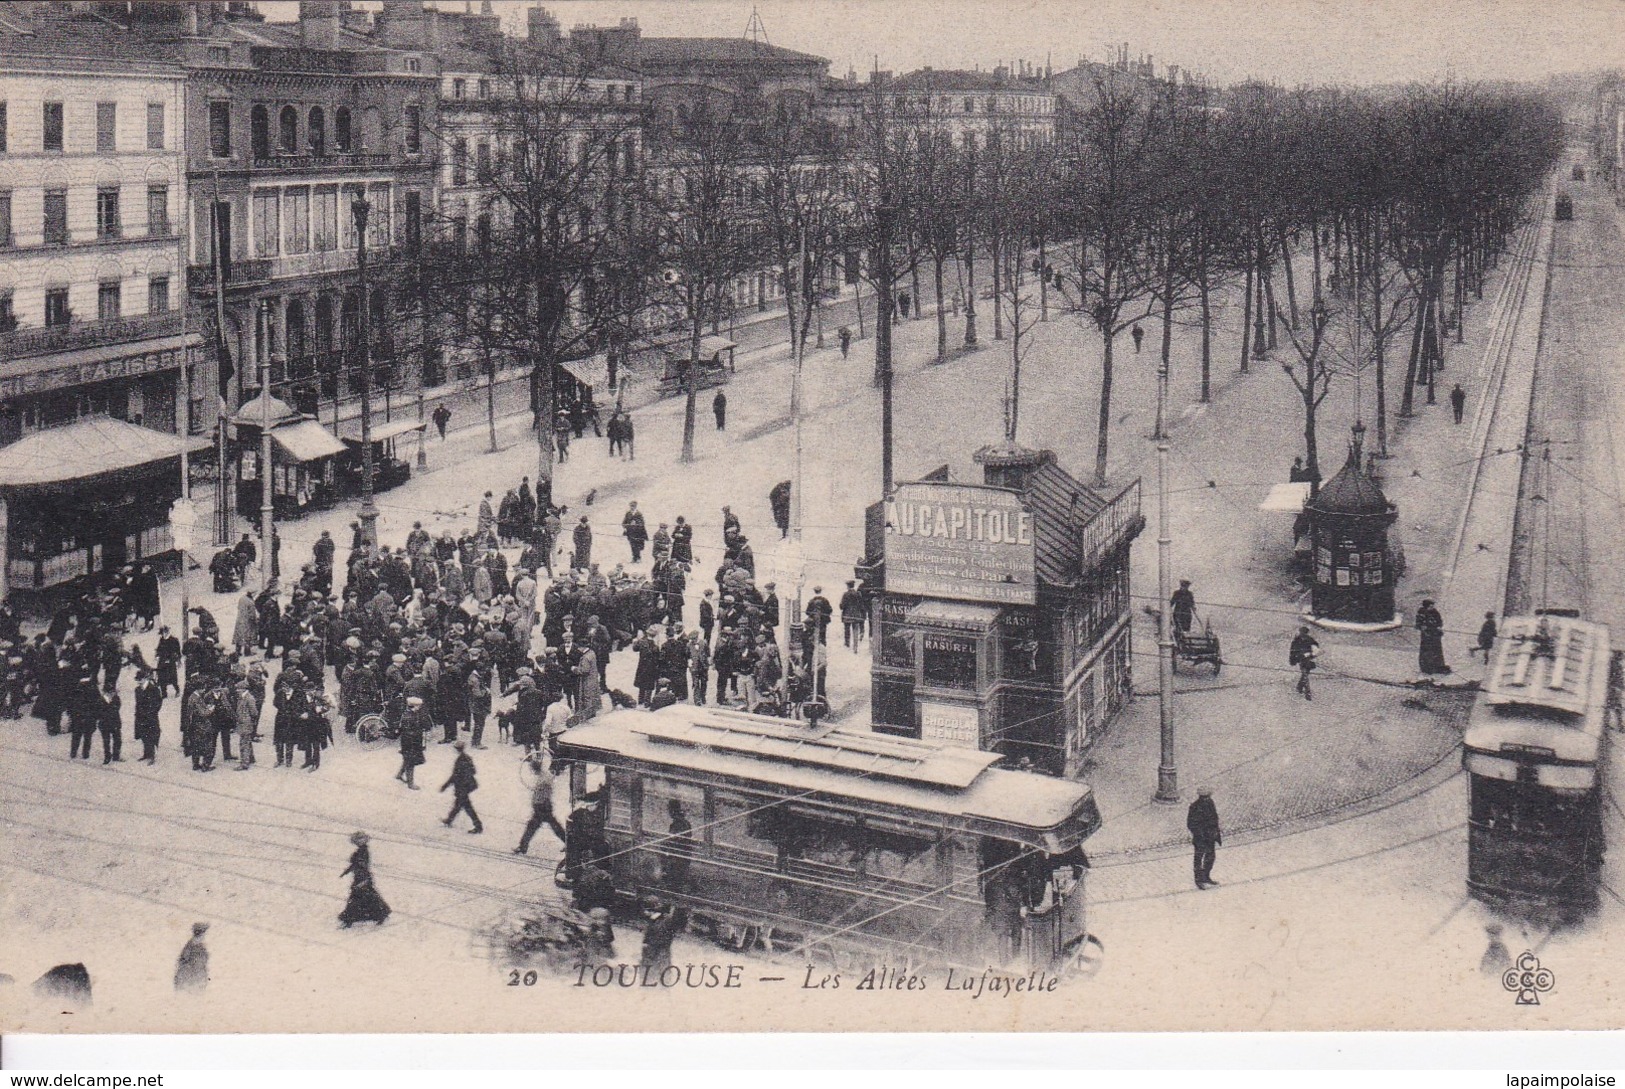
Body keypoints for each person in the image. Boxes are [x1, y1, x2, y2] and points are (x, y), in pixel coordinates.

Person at [513, 752, 567, 856]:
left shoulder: (543, 779)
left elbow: (543, 793)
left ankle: (522, 847)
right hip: (544, 806)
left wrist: (538, 804)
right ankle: (568, 842)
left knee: (533, 827)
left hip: (542, 806)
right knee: (554, 826)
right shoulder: (544, 776)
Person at [339, 832, 391, 928]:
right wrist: (347, 871)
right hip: (362, 877)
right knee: (369, 897)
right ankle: (380, 915)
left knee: (357, 898)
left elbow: (361, 866)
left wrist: (362, 880)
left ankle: (349, 920)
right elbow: (356, 864)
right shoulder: (361, 851)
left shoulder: (363, 852)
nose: (356, 843)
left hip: (362, 878)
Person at [441, 740, 483, 834]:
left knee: (466, 807)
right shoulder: (467, 758)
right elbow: (473, 771)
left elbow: (455, 775)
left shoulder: (460, 760)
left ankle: (478, 826)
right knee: (460, 805)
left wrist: (445, 785)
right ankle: (449, 820)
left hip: (462, 787)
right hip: (466, 786)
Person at [640, 897, 689, 972]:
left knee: (657, 970)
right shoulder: (657, 920)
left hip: (657, 951)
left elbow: (655, 938)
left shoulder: (660, 921)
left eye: (646, 910)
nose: (644, 912)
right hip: (658, 951)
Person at [1186, 787, 1222, 890]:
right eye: (1205, 797)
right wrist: (1200, 835)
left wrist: (1216, 833)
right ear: (1201, 797)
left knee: (1210, 857)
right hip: (1201, 838)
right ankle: (1199, 880)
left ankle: (1206, 877)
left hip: (1210, 836)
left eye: (1208, 797)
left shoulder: (1211, 803)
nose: (1207, 798)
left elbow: (1215, 819)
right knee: (1199, 858)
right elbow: (1191, 824)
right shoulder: (1194, 807)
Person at [665, 799, 695, 891]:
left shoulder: (677, 825)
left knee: (674, 882)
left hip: (679, 857)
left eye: (669, 810)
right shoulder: (685, 823)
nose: (669, 812)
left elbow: (674, 842)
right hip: (684, 855)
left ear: (672, 810)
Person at [173, 923, 210, 994]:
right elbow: (183, 965)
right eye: (203, 933)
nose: (204, 936)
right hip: (190, 982)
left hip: (198, 981)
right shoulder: (189, 948)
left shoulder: (202, 948)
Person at [1416, 599, 1450, 675]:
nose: (1432, 607)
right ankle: (1427, 668)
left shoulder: (1435, 612)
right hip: (1427, 636)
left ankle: (1439, 666)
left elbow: (1439, 621)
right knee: (1427, 652)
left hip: (1436, 635)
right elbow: (1418, 624)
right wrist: (1422, 627)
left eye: (1432, 606)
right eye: (1430, 606)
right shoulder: (1421, 613)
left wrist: (1439, 626)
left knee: (1437, 651)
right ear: (1426, 606)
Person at [1289, 626, 1320, 700]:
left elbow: (1293, 651)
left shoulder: (1297, 640)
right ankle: (1304, 690)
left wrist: (1292, 660)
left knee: (1305, 674)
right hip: (1307, 658)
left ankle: (1305, 691)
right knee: (1305, 673)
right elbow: (1316, 647)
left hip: (1302, 659)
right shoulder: (1309, 639)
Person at [839, 581, 866, 649]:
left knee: (847, 631)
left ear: (848, 586)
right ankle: (855, 646)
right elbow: (861, 605)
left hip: (847, 616)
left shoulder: (845, 594)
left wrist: (841, 606)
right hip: (856, 615)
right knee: (855, 630)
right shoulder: (858, 594)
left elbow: (842, 606)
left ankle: (847, 645)